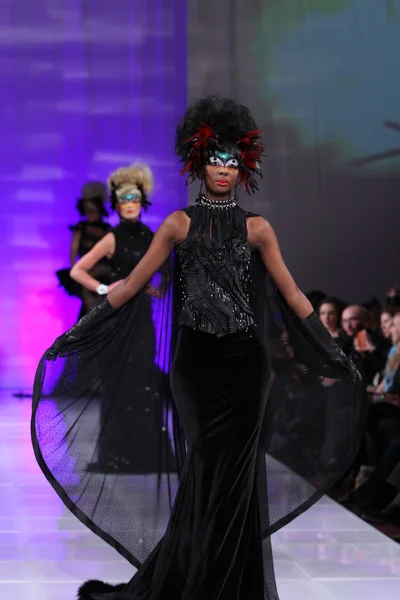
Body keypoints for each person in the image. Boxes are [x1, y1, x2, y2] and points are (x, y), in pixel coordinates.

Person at [31, 96, 363, 600]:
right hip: (196, 369)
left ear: (244, 166)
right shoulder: (177, 225)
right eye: (216, 161)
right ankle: (200, 579)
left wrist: (331, 349)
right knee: (207, 468)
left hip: (246, 368)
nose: (224, 171)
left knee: (235, 475)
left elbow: (293, 295)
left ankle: (226, 584)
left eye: (233, 163)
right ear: (199, 161)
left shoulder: (258, 229)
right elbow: (129, 288)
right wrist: (78, 331)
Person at [69, 163, 172, 474]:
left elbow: (164, 274)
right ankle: (116, 455)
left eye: (134, 198)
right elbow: (77, 270)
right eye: (124, 199)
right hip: (116, 320)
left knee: (143, 384)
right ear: (115, 204)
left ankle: (144, 454)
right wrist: (104, 287)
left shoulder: (154, 237)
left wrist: (156, 289)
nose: (129, 204)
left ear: (142, 203)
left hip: (142, 320)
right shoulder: (112, 238)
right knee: (116, 384)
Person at [56, 181, 111, 320]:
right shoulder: (81, 228)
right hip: (86, 274)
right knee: (90, 308)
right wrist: (77, 272)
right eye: (87, 211)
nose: (90, 214)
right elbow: (73, 252)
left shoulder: (107, 230)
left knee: (103, 309)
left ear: (99, 210)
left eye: (93, 210)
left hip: (105, 274)